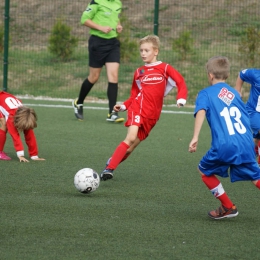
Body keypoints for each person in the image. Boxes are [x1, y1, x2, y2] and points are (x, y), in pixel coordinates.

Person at [100, 35, 188, 181]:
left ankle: (111, 162)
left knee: (131, 147)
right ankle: (109, 169)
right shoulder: (139, 72)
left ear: (156, 51)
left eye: (146, 50)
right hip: (138, 108)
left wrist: (181, 98)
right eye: (141, 50)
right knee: (130, 137)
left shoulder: (165, 68)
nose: (143, 53)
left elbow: (180, 81)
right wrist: (124, 106)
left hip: (153, 115)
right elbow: (134, 94)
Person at [188, 56, 260, 220]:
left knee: (204, 171)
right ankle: (228, 207)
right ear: (227, 76)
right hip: (246, 142)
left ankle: (228, 206)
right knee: (256, 177)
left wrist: (195, 137)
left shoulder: (205, 93)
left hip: (225, 145)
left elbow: (201, 111)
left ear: (210, 75)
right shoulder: (234, 94)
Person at [72, 0, 124, 123]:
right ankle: (78, 102)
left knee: (114, 76)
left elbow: (115, 17)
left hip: (113, 43)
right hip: (97, 43)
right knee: (94, 77)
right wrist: (100, 27)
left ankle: (112, 113)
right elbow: (84, 19)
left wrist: (118, 25)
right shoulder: (96, 2)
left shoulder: (118, 3)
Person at [0, 91, 45, 162]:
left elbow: (30, 136)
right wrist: (20, 155)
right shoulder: (11, 117)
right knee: (4, 124)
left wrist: (34, 156)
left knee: (28, 131)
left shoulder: (26, 116)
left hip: (4, 101)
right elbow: (15, 136)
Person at [235, 68, 260, 165]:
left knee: (256, 139)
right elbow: (242, 74)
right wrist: (237, 90)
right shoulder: (255, 75)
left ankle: (249, 153)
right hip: (253, 111)